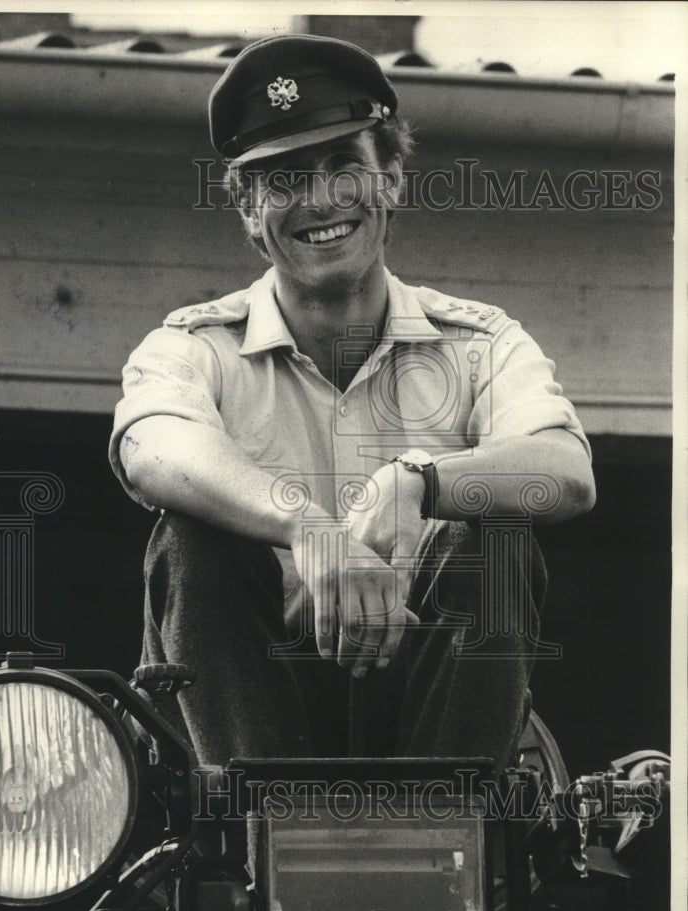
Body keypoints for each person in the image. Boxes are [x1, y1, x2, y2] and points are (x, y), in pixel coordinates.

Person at [109, 34, 595, 771]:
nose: (319, 201)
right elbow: (156, 452)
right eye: (281, 179)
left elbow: (563, 470)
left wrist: (420, 482)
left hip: (432, 711)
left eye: (344, 167)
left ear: (391, 180)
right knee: (191, 539)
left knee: (492, 535)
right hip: (238, 717)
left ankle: (446, 842)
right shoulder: (192, 346)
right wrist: (307, 527)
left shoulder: (479, 341)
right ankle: (250, 846)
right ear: (245, 207)